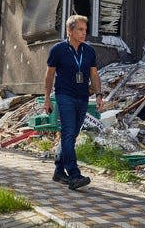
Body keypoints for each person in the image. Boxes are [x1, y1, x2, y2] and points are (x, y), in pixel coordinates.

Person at [44, 15, 104, 190]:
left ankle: (58, 170)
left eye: (85, 30)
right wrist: (47, 98)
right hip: (64, 96)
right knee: (69, 132)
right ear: (69, 31)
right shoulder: (58, 50)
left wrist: (99, 94)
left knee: (71, 135)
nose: (84, 33)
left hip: (82, 97)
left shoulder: (89, 51)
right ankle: (74, 175)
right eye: (80, 29)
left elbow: (94, 75)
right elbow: (49, 76)